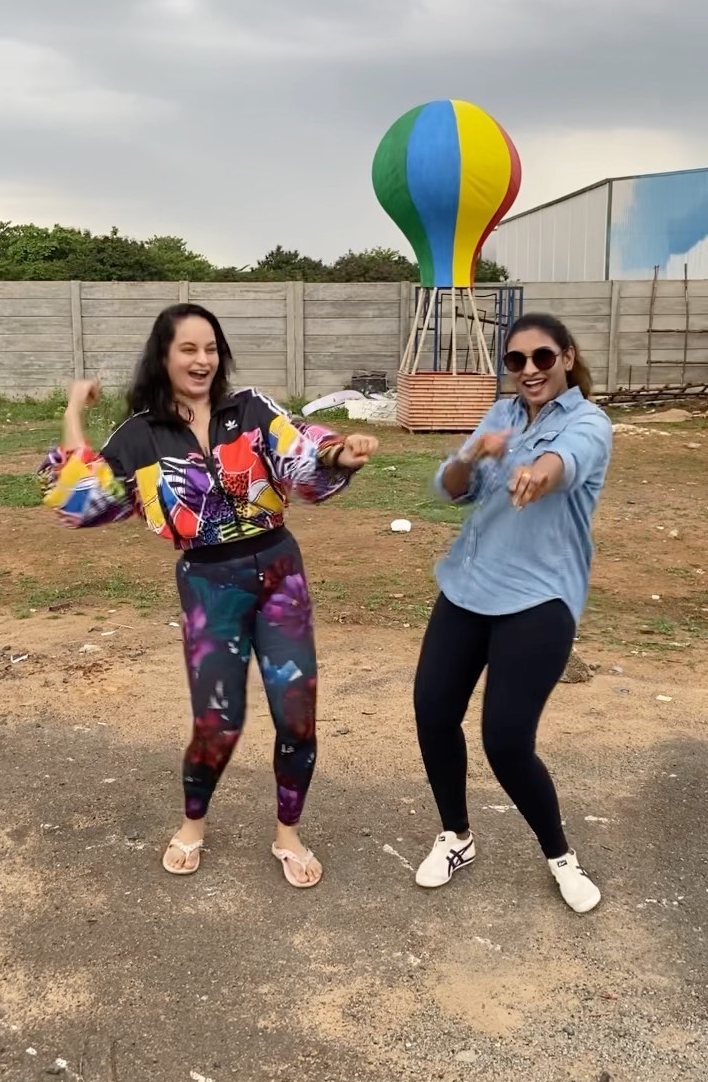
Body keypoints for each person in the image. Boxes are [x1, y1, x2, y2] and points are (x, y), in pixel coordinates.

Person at [40, 303, 378, 888]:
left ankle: (288, 835)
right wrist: (74, 409)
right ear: (164, 357)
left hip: (279, 572)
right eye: (188, 349)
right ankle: (193, 822)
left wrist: (337, 453)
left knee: (297, 717)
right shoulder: (142, 434)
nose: (202, 360)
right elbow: (83, 496)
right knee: (217, 721)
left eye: (210, 348)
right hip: (208, 583)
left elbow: (298, 450)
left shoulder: (249, 407)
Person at [413, 312, 613, 914]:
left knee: (505, 740)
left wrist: (536, 472)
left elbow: (567, 461)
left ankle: (559, 855)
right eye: (516, 361)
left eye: (542, 358)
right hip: (469, 584)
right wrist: (472, 456)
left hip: (540, 596)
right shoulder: (499, 415)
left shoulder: (589, 421)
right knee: (433, 712)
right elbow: (447, 489)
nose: (529, 370)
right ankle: (457, 836)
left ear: (568, 357)